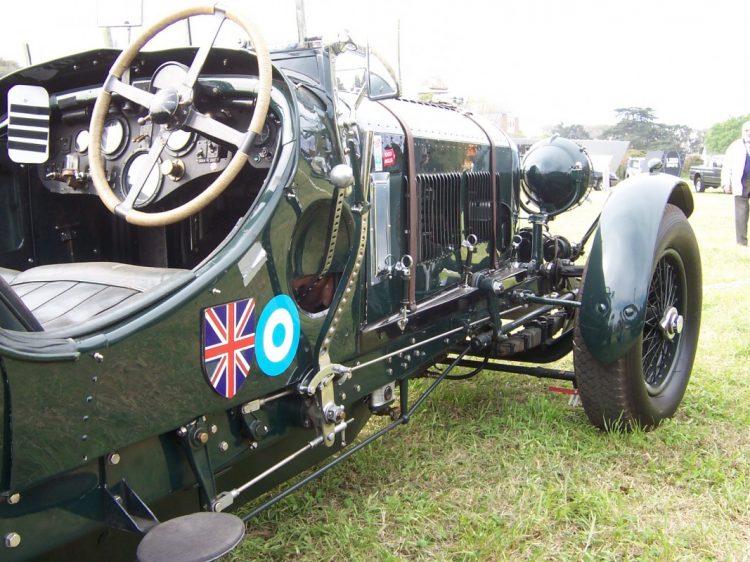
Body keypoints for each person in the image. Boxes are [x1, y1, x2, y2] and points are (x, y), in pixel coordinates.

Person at [721, 120, 750, 246]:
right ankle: (742, 242)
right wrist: (726, 183)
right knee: (741, 214)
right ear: (742, 132)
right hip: (741, 183)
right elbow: (727, 166)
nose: (749, 133)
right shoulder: (735, 146)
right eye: (746, 130)